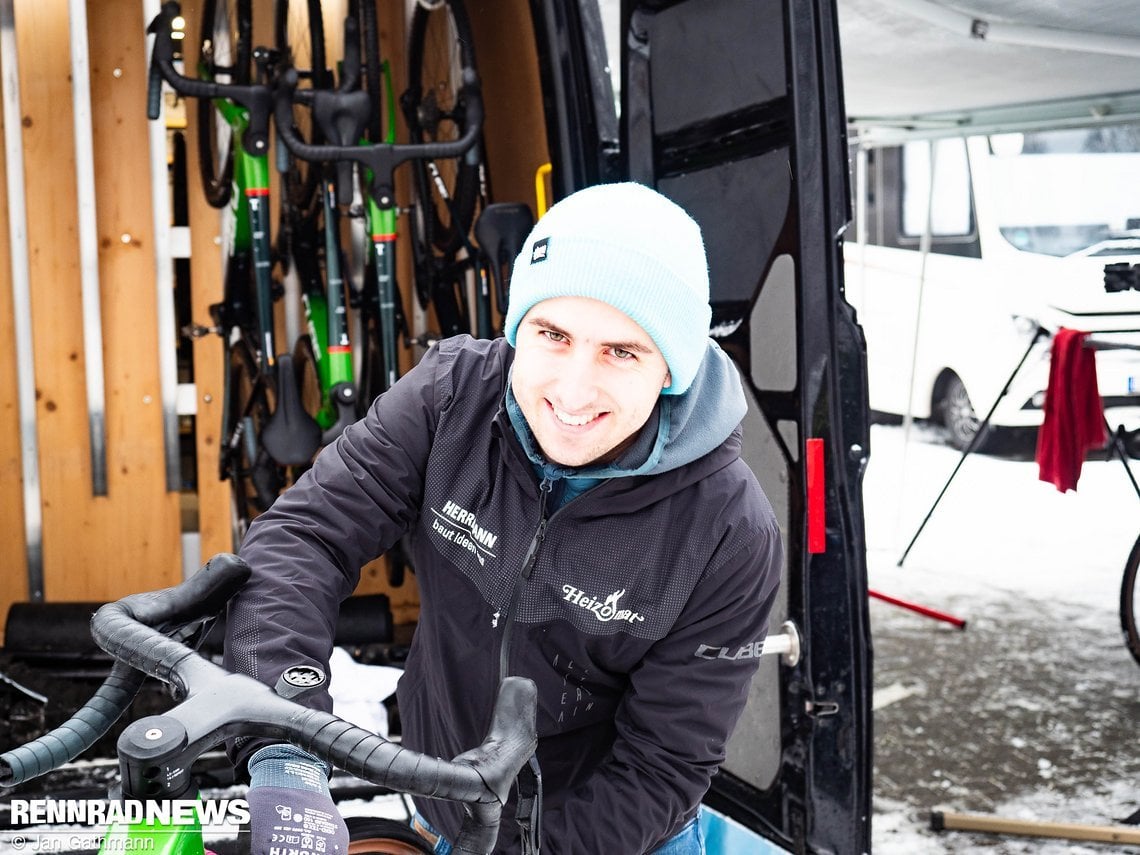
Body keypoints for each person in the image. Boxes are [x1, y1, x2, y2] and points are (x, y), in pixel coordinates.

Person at [224, 182, 784, 854]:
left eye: (621, 351)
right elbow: (303, 538)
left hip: (608, 840)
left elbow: (662, 762)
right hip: (442, 808)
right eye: (553, 334)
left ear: (672, 367)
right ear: (520, 327)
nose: (573, 390)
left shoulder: (727, 528)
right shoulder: (450, 398)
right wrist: (287, 745)